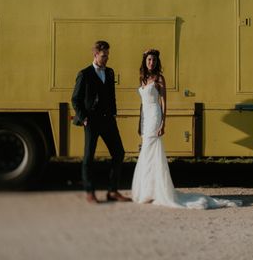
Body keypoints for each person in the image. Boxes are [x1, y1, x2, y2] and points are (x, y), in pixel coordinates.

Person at [131, 49, 241, 209]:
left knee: (151, 151)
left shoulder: (159, 78)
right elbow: (142, 104)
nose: (151, 63)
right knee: (146, 154)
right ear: (145, 61)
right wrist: (139, 122)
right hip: (145, 118)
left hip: (155, 116)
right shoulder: (143, 78)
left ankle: (155, 191)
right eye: (149, 60)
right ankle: (149, 189)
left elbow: (163, 102)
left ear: (157, 62)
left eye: (154, 60)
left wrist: (163, 123)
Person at [71, 40, 131, 204]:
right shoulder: (84, 74)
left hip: (108, 120)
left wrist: (113, 113)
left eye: (108, 56)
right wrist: (84, 118)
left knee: (119, 153)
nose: (106, 59)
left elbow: (111, 96)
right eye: (104, 56)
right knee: (89, 157)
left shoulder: (110, 72)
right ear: (95, 54)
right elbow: (75, 99)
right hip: (91, 121)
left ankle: (112, 190)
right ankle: (90, 191)